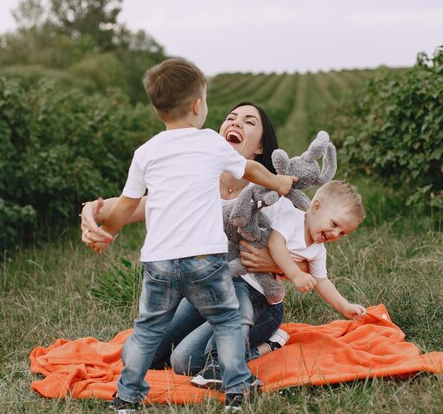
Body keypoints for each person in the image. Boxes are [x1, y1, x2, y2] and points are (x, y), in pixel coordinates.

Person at [88, 58, 296, 413]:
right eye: (231, 116)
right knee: (227, 322)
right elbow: (253, 170)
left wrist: (107, 232)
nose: (234, 123)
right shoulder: (210, 147)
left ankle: (126, 399)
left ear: (156, 109)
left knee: (148, 330)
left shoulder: (147, 152)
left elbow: (126, 204)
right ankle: (238, 389)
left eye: (249, 122)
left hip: (161, 264)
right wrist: (279, 181)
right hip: (206, 261)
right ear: (199, 107)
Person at [190, 180, 367, 388]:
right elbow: (275, 244)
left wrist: (344, 306)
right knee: (235, 318)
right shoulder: (292, 218)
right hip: (239, 279)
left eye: (343, 233)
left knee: (241, 317)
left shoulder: (317, 251)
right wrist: (295, 274)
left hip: (262, 297)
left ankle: (222, 368)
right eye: (335, 224)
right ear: (316, 207)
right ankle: (227, 363)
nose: (335, 234)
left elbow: (322, 281)